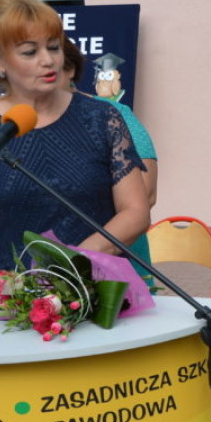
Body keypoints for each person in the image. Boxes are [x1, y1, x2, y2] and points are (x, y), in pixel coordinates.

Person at [0, 0, 149, 298]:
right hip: (14, 300)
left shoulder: (101, 118)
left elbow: (135, 211)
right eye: (29, 52)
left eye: (53, 47)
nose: (48, 60)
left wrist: (72, 262)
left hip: (96, 291)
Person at [63, 37, 158, 284]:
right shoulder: (9, 124)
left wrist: (79, 255)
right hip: (35, 275)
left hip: (118, 277)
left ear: (69, 68)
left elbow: (145, 194)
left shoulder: (113, 114)